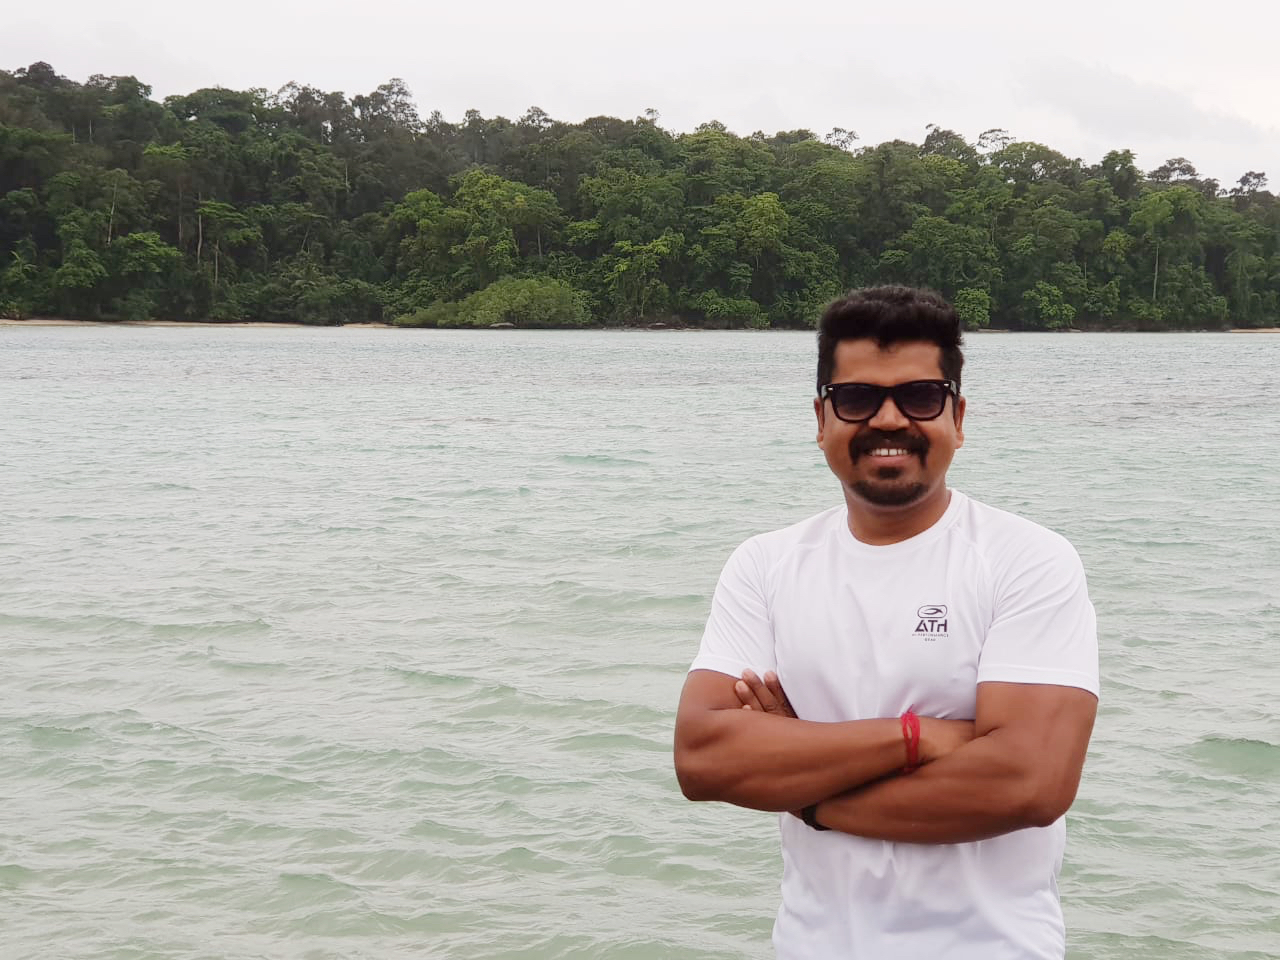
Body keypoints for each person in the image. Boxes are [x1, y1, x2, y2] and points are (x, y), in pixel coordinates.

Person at [673, 286, 1099, 959]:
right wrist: (919, 737)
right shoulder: (766, 565)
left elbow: (1030, 783)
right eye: (858, 398)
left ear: (958, 416)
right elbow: (704, 759)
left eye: (922, 397)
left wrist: (808, 795)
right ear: (822, 419)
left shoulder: (1026, 560)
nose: (890, 419)